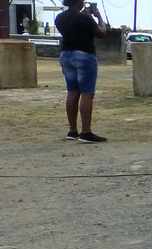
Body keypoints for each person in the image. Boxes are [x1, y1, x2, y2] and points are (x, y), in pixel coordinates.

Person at [56, 0, 107, 143]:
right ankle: (86, 132)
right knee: (87, 93)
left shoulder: (59, 17)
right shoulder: (86, 18)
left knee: (72, 91)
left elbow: (72, 30)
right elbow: (102, 33)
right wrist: (99, 17)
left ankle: (72, 131)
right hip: (85, 55)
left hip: (66, 55)